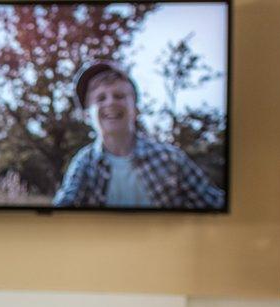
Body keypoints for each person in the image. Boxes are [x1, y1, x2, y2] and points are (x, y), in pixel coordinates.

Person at [53, 61, 225, 209]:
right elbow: (60, 215)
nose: (111, 102)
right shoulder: (84, 164)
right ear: (87, 115)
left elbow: (215, 204)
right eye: (100, 98)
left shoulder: (170, 159)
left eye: (119, 96)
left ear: (136, 109)